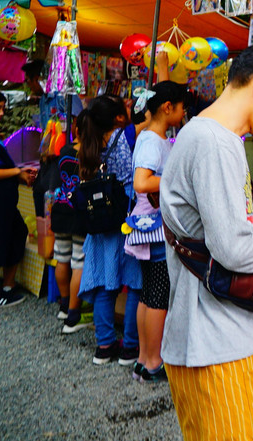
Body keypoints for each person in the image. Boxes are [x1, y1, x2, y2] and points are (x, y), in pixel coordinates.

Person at [160, 41, 253, 441]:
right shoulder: (214, 143)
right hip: (219, 346)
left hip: (216, 342)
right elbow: (233, 247)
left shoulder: (211, 136)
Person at [126, 81, 191, 382]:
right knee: (158, 297)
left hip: (145, 227)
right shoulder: (153, 140)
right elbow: (142, 182)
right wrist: (175, 181)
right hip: (153, 229)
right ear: (168, 108)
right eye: (181, 107)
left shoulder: (151, 136)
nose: (184, 112)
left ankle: (144, 358)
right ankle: (153, 361)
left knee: (148, 295)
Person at [74, 95, 142, 365]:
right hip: (126, 216)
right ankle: (131, 346)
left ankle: (104, 345)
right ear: (116, 117)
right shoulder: (125, 135)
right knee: (135, 283)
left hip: (100, 223)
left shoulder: (86, 142)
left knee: (105, 284)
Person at [0, 87, 37, 308]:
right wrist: (16, 172)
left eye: (3, 109)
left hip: (3, 199)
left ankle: (7, 285)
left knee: (17, 232)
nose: (1, 114)